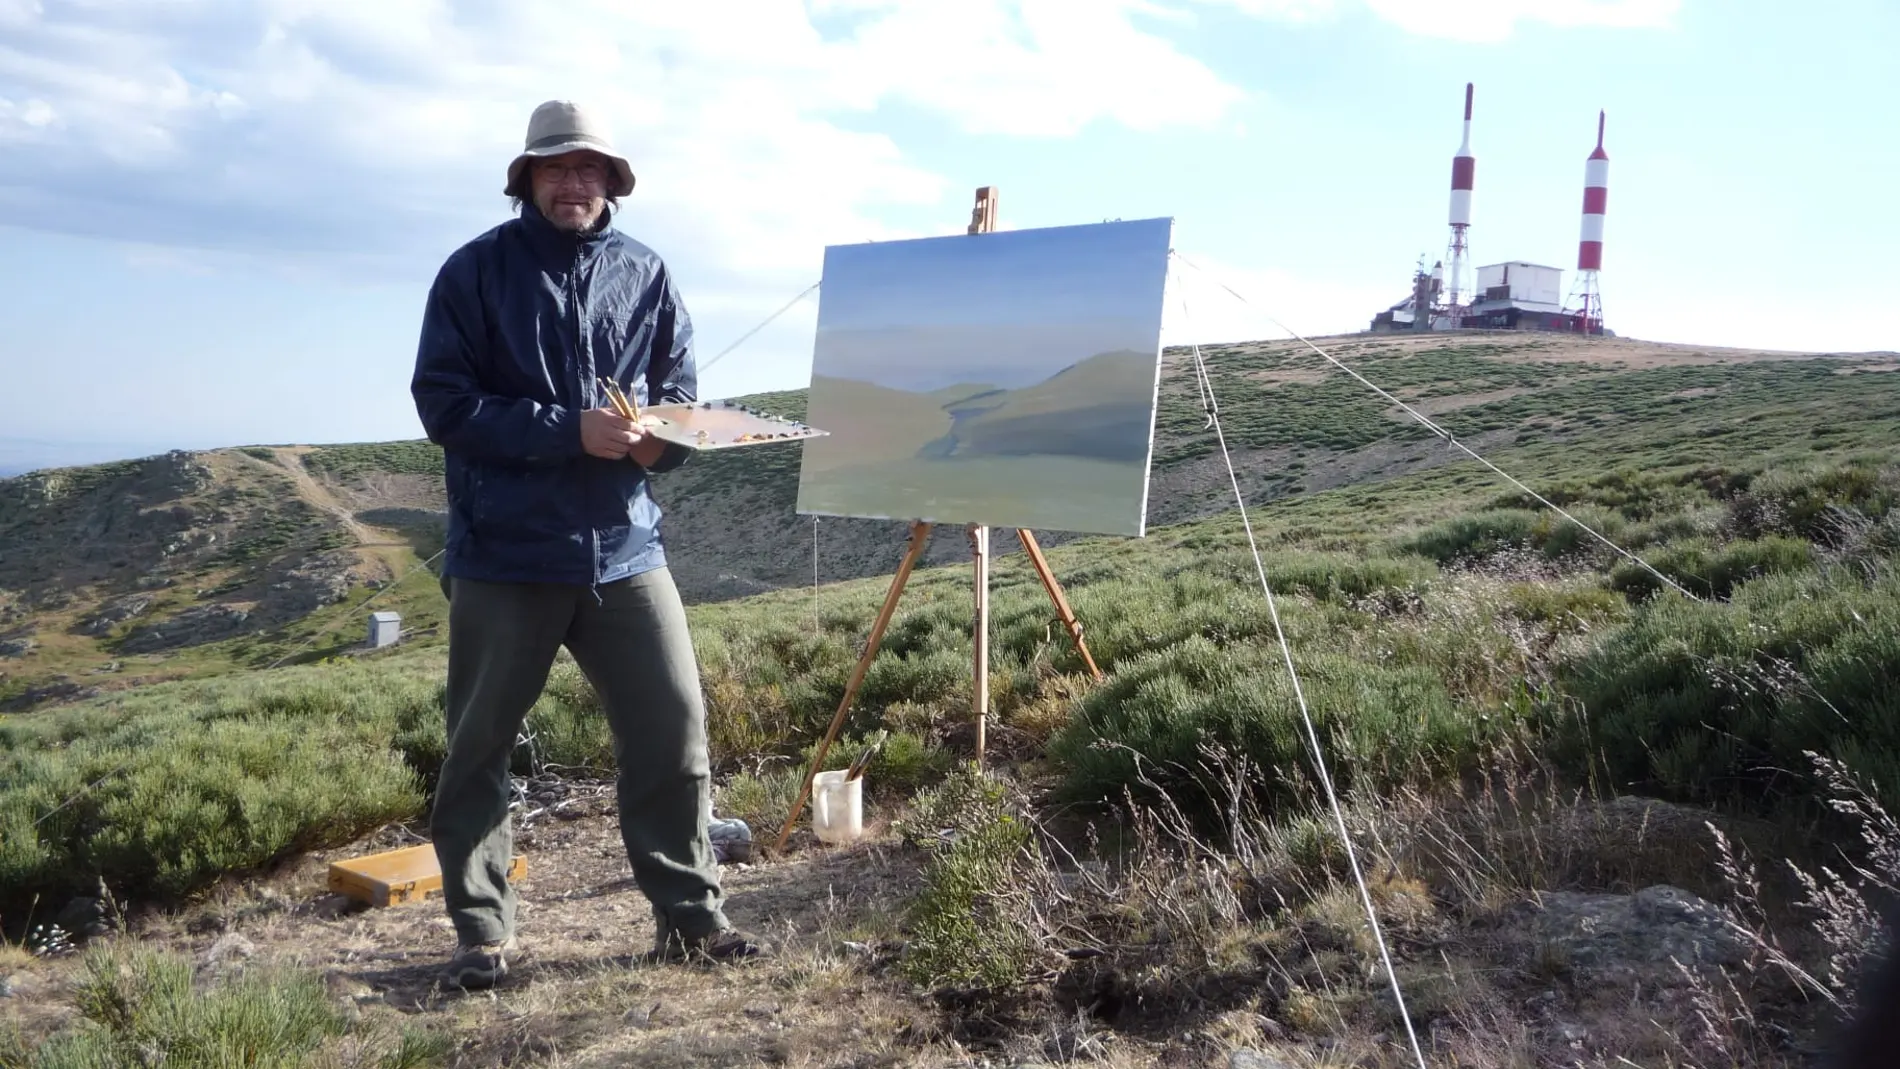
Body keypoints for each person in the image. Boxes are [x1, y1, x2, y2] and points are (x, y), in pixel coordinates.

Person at [410, 99, 767, 990]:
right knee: (480, 746)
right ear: (525, 178)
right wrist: (569, 431)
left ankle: (691, 919)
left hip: (626, 549)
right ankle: (483, 932)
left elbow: (680, 395)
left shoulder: (647, 272)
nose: (573, 183)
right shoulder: (474, 272)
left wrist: (662, 441)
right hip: (504, 554)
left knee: (674, 732)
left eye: (589, 169)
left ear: (613, 180)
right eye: (555, 168)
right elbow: (444, 406)